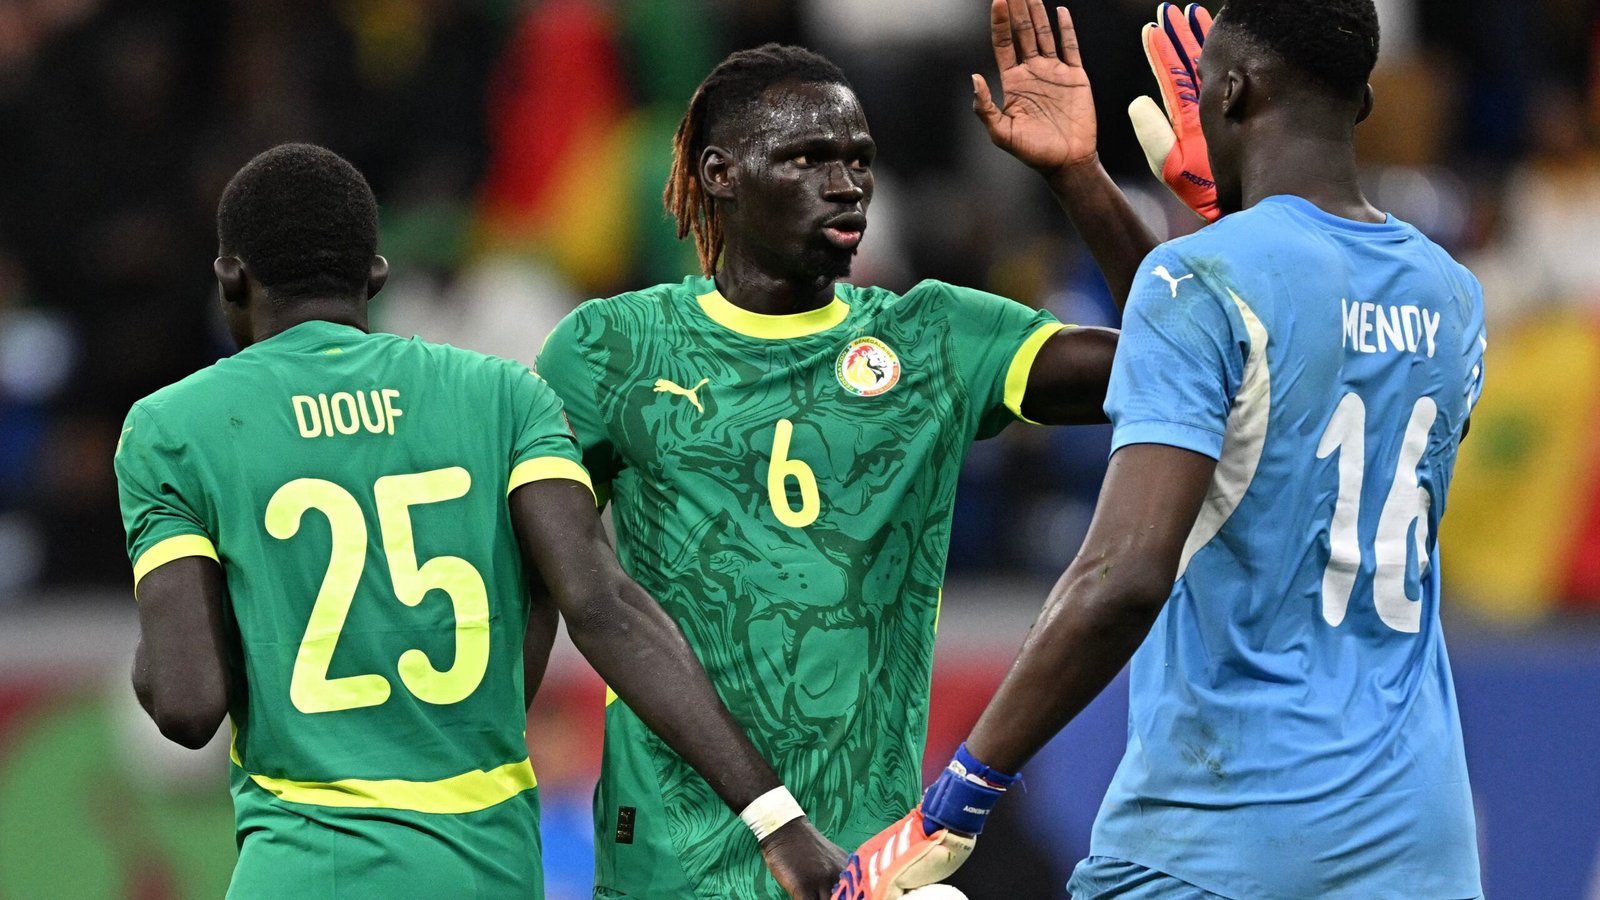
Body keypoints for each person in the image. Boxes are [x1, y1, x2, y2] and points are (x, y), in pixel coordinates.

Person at [836, 2, 1488, 898]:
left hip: (1224, 835)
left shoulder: (1206, 278)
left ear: (1231, 89)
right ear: (1361, 101)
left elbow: (1126, 574)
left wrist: (964, 788)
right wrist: (1088, 182)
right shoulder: (1452, 295)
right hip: (1417, 840)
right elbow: (1267, 373)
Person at [533, 2, 1159, 896]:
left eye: (859, 161)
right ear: (720, 174)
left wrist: (1079, 178)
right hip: (670, 869)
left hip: (867, 870)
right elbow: (558, 587)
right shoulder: (611, 350)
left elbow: (1180, 365)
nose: (847, 184)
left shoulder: (935, 339)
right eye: (807, 159)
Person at [114, 143, 843, 900]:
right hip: (484, 871)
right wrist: (775, 819)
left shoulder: (171, 427)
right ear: (375, 275)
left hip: (301, 871)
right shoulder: (507, 397)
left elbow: (187, 705)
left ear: (230, 277)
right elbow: (601, 603)